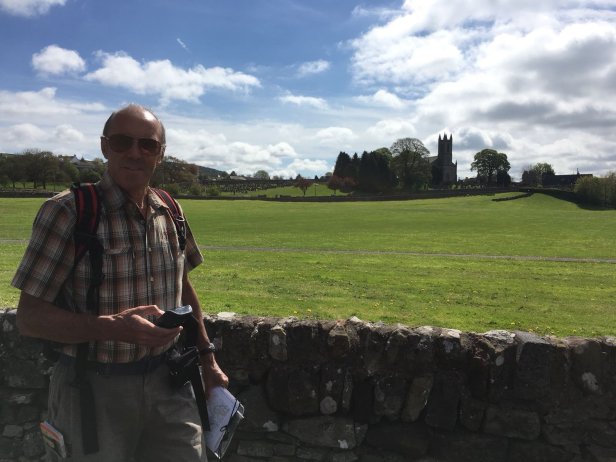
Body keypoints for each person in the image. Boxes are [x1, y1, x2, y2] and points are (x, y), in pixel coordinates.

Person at [12, 104, 228, 461]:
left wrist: (208, 360)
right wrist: (111, 328)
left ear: (160, 153)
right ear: (104, 146)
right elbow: (29, 318)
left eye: (148, 144)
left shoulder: (170, 210)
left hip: (170, 382)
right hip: (92, 387)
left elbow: (183, 288)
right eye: (122, 142)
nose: (135, 152)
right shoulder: (68, 212)